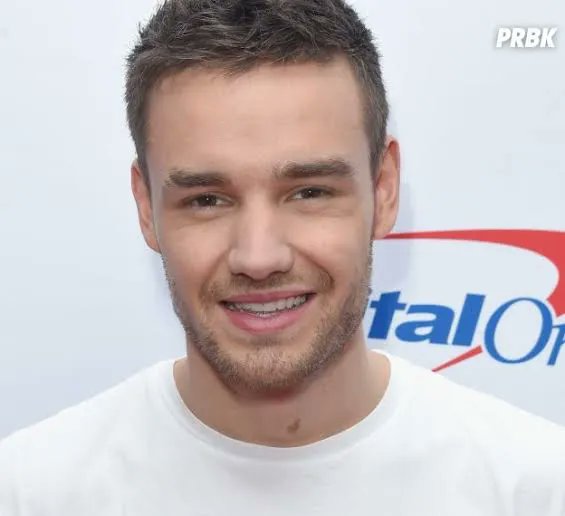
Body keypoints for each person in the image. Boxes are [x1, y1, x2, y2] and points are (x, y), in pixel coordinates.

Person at [1, 0, 565, 514]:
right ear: (146, 207)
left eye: (309, 192)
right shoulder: (31, 493)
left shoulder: (535, 489)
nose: (258, 256)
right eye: (207, 199)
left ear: (384, 189)